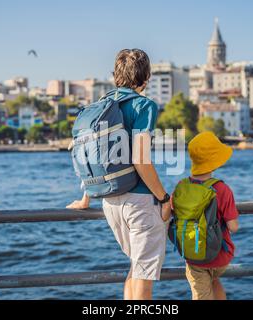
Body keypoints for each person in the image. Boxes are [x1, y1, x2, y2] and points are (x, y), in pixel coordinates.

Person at [67, 49, 171, 300]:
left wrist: (85, 200)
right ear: (146, 79)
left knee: (135, 270)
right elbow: (140, 159)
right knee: (144, 280)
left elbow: (90, 156)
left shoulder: (98, 107)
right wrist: (164, 198)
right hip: (140, 204)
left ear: (115, 76)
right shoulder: (144, 105)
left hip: (109, 202)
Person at [177, 131, 239, 300]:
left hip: (194, 255)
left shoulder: (181, 186)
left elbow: (167, 215)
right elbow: (233, 226)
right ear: (215, 162)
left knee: (201, 294)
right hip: (220, 255)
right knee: (214, 279)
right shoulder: (222, 189)